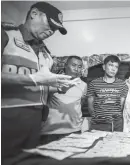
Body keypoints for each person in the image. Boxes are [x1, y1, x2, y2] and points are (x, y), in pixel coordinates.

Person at [1, 1, 75, 160]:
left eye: (55, 29)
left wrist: (57, 87)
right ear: (34, 14)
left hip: (36, 123)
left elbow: (40, 86)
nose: (52, 31)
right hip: (6, 120)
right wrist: (32, 78)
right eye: (50, 24)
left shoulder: (46, 54)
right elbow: (34, 80)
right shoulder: (6, 34)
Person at [40, 56, 88, 144]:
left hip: (74, 130)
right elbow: (44, 101)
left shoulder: (84, 85)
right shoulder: (53, 80)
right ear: (65, 65)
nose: (76, 69)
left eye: (80, 66)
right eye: (73, 65)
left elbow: (81, 103)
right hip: (51, 131)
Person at [87, 55, 128, 132]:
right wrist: (98, 119)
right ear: (104, 67)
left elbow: (122, 106)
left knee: (116, 143)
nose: (113, 69)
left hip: (117, 124)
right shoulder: (94, 83)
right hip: (98, 124)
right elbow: (90, 106)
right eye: (110, 65)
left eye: (116, 67)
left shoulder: (122, 84)